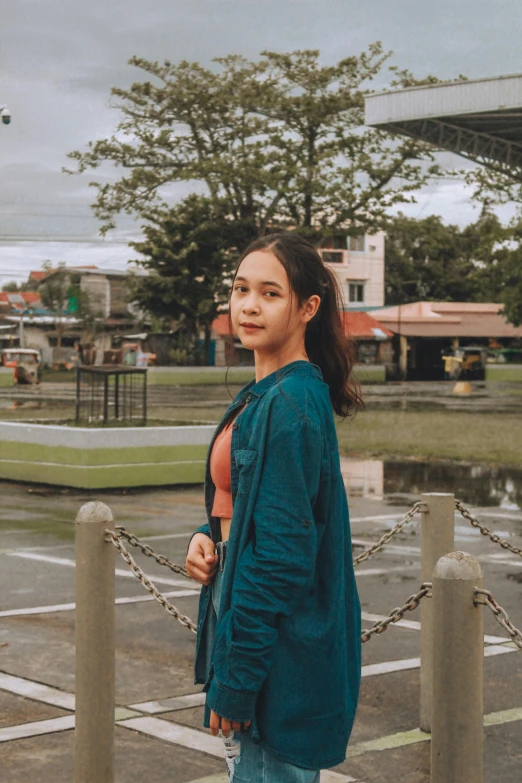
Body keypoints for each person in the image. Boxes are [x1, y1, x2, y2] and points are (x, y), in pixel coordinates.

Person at [186, 232, 362, 782]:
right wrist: (207, 533)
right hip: (249, 622)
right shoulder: (265, 392)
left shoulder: (288, 403)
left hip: (274, 648)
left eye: (270, 293)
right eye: (241, 289)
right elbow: (247, 500)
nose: (249, 306)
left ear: (308, 308)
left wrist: (237, 681)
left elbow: (282, 558)